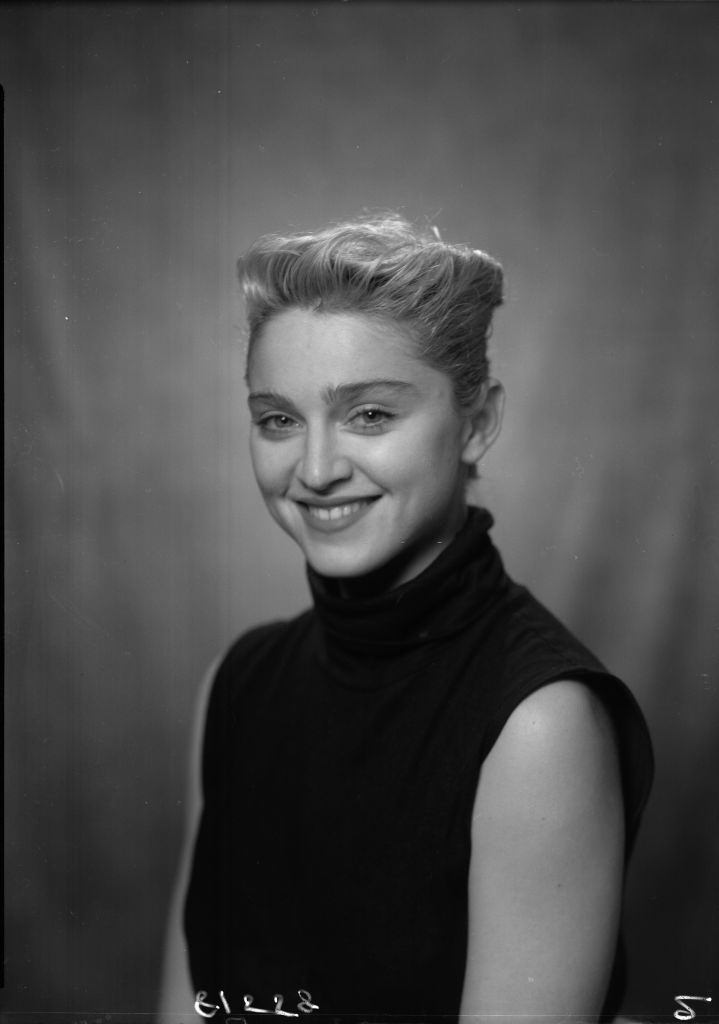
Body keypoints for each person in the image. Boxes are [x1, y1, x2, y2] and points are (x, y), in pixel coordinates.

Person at [160, 215, 653, 1024]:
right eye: (278, 419)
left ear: (478, 422)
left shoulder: (537, 723)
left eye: (370, 416)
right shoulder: (237, 683)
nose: (315, 471)